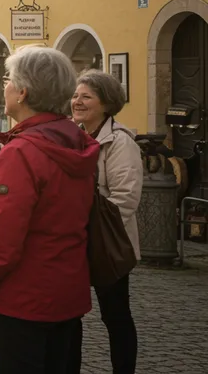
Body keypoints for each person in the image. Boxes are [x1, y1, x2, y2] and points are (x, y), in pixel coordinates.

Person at [0, 46, 99, 374]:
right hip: (68, 292)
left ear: (22, 92)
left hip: (24, 300)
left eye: (8, 79)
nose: (4, 85)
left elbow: (1, 243)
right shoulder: (74, 141)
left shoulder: (22, 153)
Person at [72, 69, 143, 374]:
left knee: (114, 314)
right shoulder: (74, 136)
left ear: (106, 103)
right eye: (75, 95)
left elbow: (125, 199)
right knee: (69, 311)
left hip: (107, 243)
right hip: (75, 239)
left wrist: (88, 224)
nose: (77, 101)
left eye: (86, 96)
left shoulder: (120, 143)